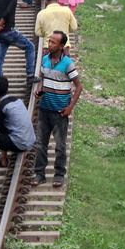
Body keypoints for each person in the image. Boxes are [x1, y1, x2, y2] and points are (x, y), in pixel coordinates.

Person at [33, 30, 82, 188]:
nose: (50, 44)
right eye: (49, 41)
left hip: (60, 111)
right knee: (41, 143)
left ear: (61, 46)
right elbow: (44, 79)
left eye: (53, 42)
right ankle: (39, 173)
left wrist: (70, 107)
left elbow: (79, 86)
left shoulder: (67, 63)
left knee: (60, 145)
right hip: (44, 108)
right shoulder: (45, 60)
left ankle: (59, 174)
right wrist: (39, 89)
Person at [0, 75, 36, 167]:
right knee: (3, 124)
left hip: (18, 144)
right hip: (30, 142)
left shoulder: (1, 106)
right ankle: (3, 158)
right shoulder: (17, 100)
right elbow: (10, 120)